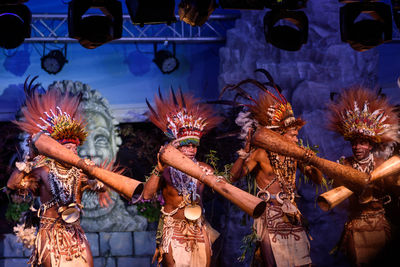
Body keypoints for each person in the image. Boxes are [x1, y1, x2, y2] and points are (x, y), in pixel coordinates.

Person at [225, 74, 323, 267]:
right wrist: (244, 153)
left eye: (297, 136)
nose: (296, 140)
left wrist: (314, 161)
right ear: (279, 135)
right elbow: (233, 177)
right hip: (268, 214)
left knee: (302, 264)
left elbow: (317, 180)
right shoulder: (260, 154)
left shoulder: (296, 154)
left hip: (292, 213)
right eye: (293, 135)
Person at [7, 83, 107, 267]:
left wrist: (95, 176)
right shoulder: (42, 169)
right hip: (50, 233)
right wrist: (28, 158)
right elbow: (12, 185)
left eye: (75, 149)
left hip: (75, 232)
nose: (73, 152)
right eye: (68, 148)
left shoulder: (81, 172)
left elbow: (103, 187)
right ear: (57, 150)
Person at [143, 89, 222, 267]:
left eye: (194, 146)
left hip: (198, 229)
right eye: (186, 145)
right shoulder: (165, 170)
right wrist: (159, 167)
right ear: (176, 147)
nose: (191, 149)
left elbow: (224, 187)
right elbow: (147, 195)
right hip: (174, 228)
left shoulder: (204, 168)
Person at [327, 86, 399, 266]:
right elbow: (335, 190)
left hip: (379, 226)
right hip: (356, 227)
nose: (357, 147)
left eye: (362, 143)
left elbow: (395, 187)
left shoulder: (382, 165)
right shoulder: (344, 165)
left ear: (370, 144)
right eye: (354, 143)